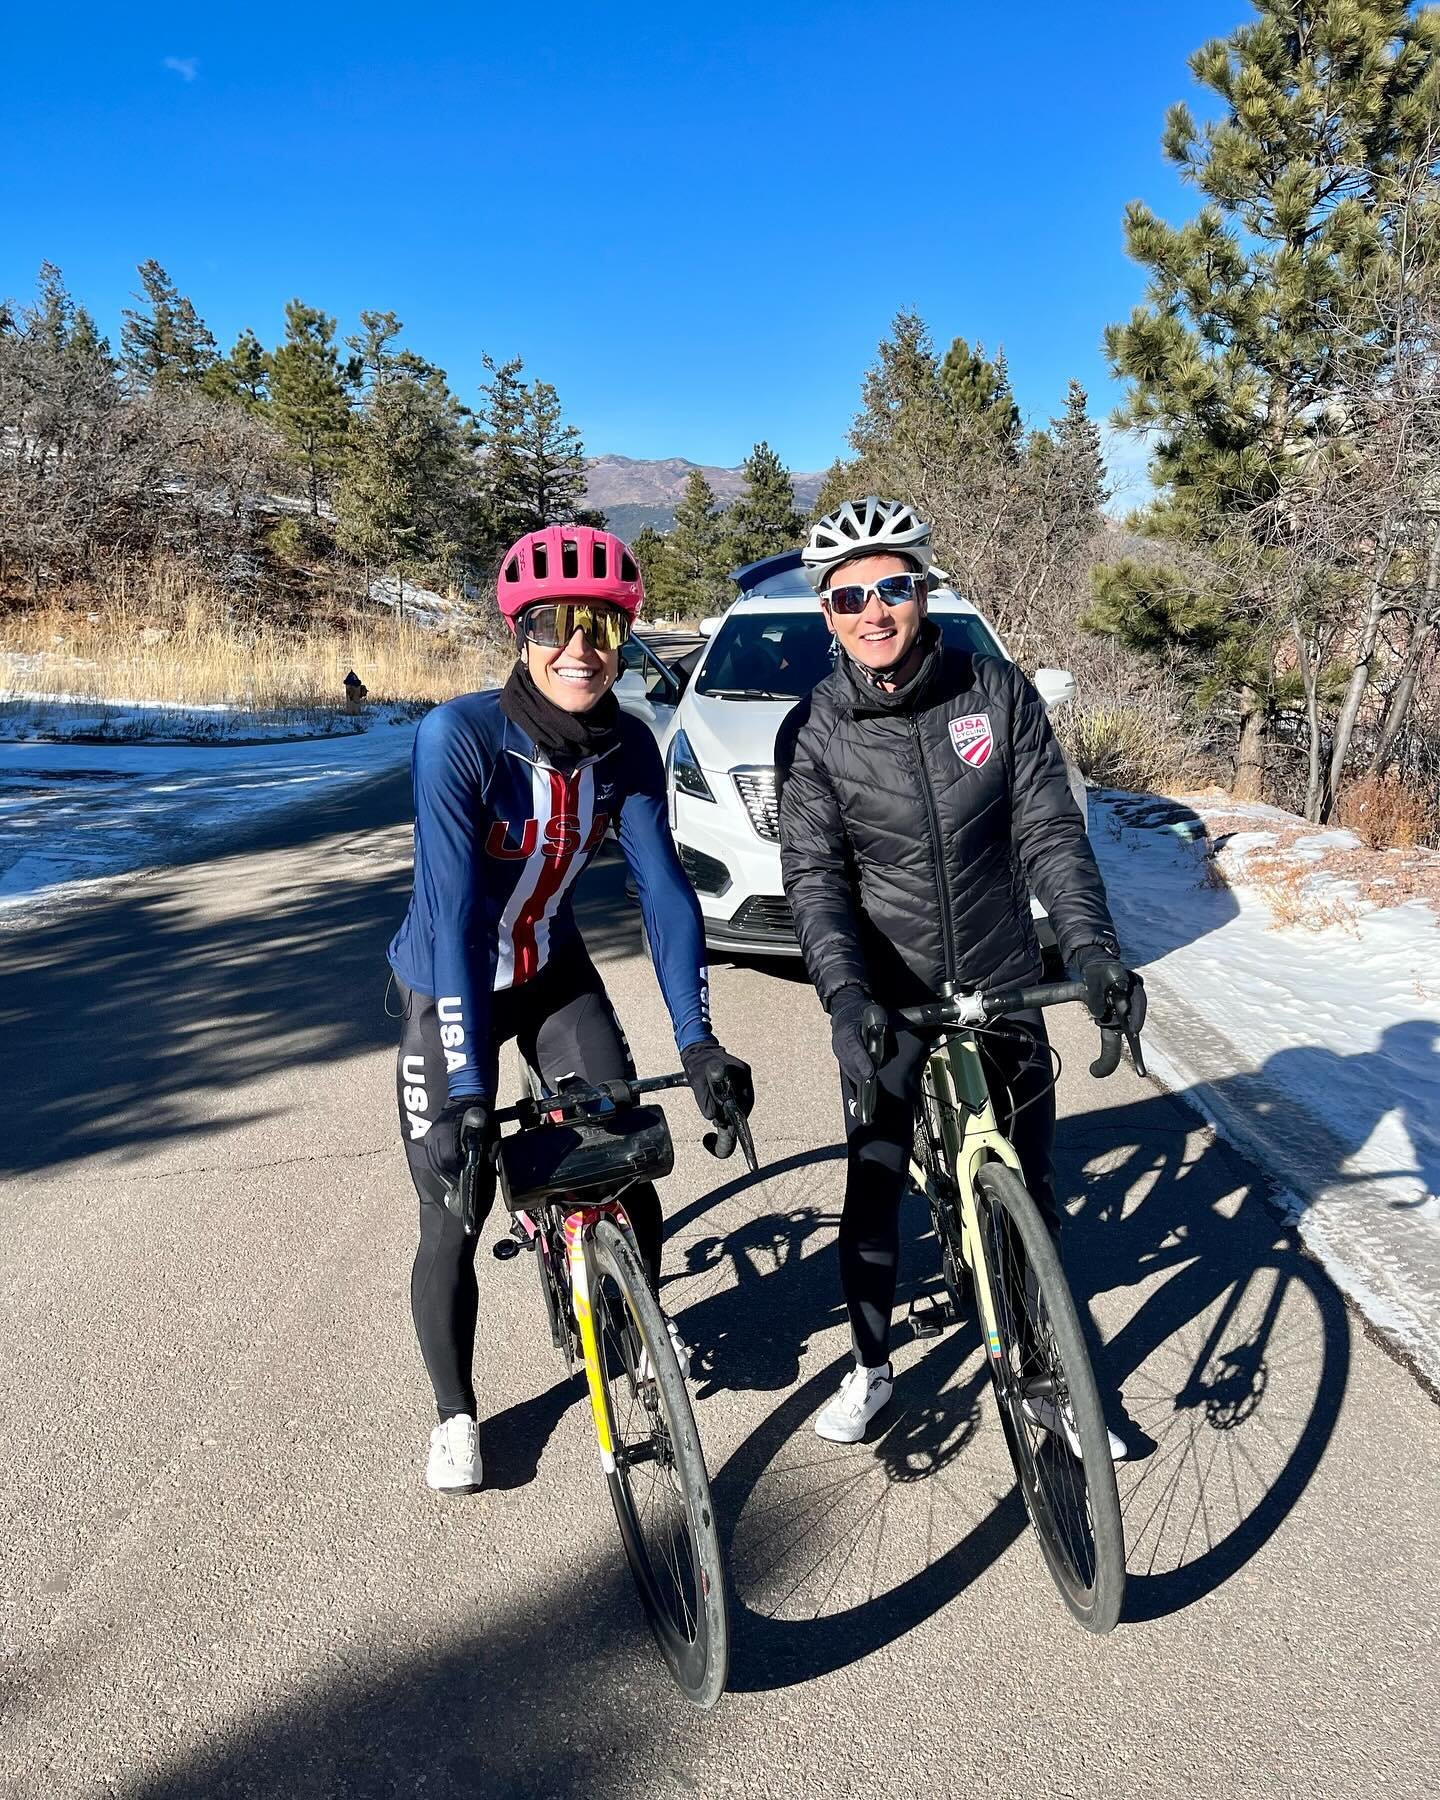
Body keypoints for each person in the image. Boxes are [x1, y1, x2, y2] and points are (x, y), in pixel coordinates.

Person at [388, 524, 753, 1494]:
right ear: (520, 633)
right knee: (452, 1208)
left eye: (601, 625)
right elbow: (461, 917)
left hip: (552, 971)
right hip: (450, 980)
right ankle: (456, 1413)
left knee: (627, 1155)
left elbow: (665, 893)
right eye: (555, 623)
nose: (579, 646)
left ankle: (632, 1320)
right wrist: (468, 1089)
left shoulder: (629, 745)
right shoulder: (459, 740)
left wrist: (701, 1039)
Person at [776, 497, 1140, 1451]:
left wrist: (1092, 947)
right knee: (876, 1176)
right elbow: (815, 880)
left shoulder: (992, 690)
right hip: (889, 989)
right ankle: (870, 1365)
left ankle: (1052, 1375)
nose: (874, 610)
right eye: (850, 595)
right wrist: (846, 995)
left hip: (1000, 971)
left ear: (924, 588)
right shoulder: (813, 733)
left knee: (1032, 1179)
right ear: (827, 612)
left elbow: (1051, 832)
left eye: (893, 585)